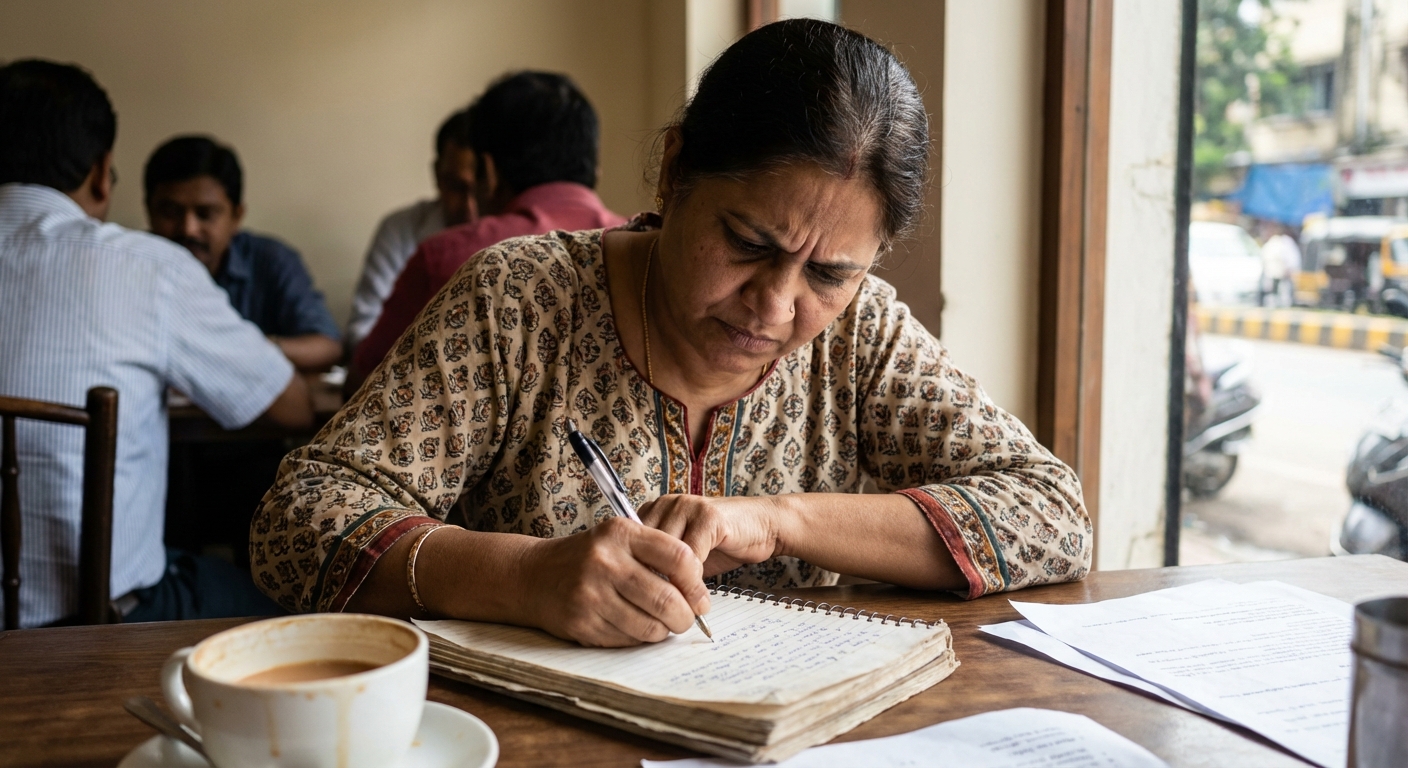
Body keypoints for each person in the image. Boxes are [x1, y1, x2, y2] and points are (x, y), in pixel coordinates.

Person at [253, 20, 1091, 647]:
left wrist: (780, 521)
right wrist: (524, 577)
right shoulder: (522, 302)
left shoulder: (861, 337)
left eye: (829, 274)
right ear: (674, 170)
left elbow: (1052, 515)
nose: (774, 306)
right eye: (748, 244)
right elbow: (298, 522)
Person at [0, 60, 310, 628]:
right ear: (103, 174)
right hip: (97, 618)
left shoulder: (261, 259)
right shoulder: (147, 267)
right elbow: (293, 407)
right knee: (289, 605)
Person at [349, 71, 626, 387]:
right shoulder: (645, 246)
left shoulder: (446, 258)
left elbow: (367, 380)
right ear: (596, 168)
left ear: (488, 171)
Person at [145, 136, 342, 372]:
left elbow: (327, 345)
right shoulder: (127, 263)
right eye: (171, 212)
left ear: (236, 216)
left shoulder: (271, 260)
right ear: (149, 211)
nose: (188, 229)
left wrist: (246, 348)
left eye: (205, 214)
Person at [345, 108, 478, 351]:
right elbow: (363, 331)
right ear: (437, 174)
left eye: (478, 188)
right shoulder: (400, 230)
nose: (470, 207)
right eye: (456, 186)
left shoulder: (523, 237)